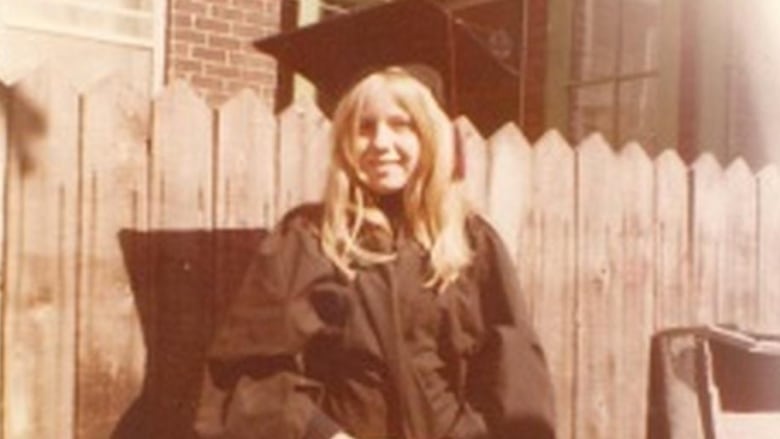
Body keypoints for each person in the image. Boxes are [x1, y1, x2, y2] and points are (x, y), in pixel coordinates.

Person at [194, 67, 556, 439]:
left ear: (430, 137)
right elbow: (253, 373)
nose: (381, 142)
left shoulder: (473, 243)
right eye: (364, 127)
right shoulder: (309, 238)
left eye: (401, 125)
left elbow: (514, 379)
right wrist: (323, 434)